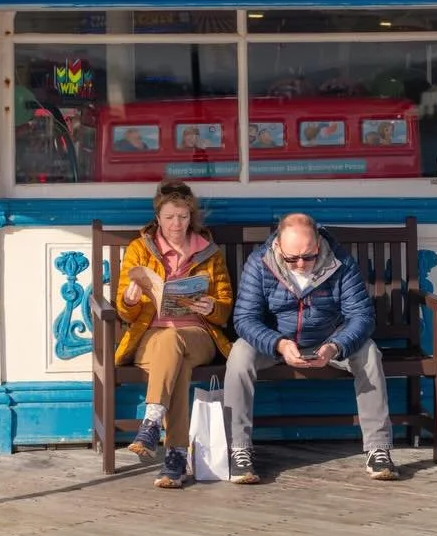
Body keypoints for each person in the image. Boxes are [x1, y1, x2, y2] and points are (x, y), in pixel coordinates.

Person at [224, 212, 399, 484]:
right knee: (238, 355)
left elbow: (361, 316)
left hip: (328, 338)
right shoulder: (259, 263)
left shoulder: (340, 262)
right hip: (276, 341)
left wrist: (335, 346)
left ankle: (378, 448)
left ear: (318, 244)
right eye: (291, 258)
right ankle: (239, 449)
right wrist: (279, 344)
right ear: (278, 247)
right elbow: (245, 319)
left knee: (369, 354)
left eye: (308, 256)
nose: (301, 264)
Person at [115, 177, 234, 489]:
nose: (176, 224)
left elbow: (225, 308)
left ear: (190, 217)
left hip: (198, 334)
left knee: (175, 343)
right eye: (169, 217)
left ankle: (154, 423)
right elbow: (124, 310)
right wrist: (129, 300)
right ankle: (175, 457)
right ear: (158, 218)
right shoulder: (140, 249)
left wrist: (212, 308)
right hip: (150, 336)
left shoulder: (209, 251)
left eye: (182, 217)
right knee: (174, 359)